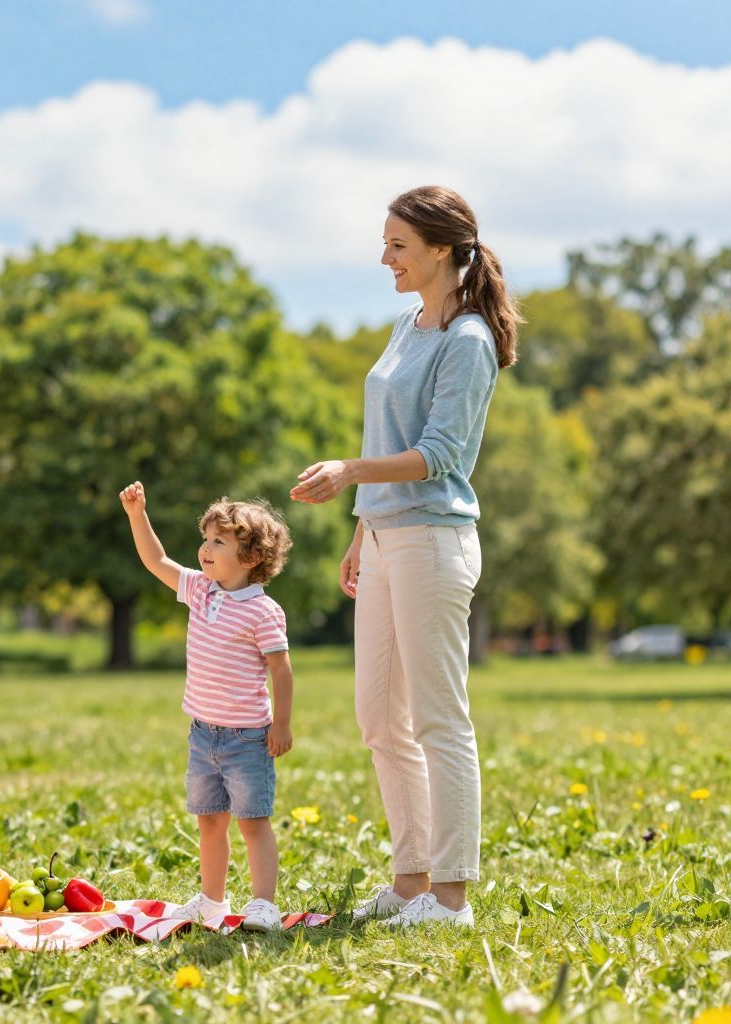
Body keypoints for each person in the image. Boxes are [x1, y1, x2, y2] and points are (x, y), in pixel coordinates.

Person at [291, 184, 521, 929]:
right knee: (378, 719)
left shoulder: (469, 341)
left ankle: (451, 896)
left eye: (397, 244)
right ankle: (412, 880)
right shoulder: (405, 324)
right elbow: (384, 435)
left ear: (443, 250)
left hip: (433, 542)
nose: (384, 256)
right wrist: (362, 527)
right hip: (387, 539)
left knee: (437, 720)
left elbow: (437, 457)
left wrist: (351, 474)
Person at [120, 482, 296, 931]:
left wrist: (282, 724)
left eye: (218, 541)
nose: (205, 549)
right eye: (205, 539)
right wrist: (138, 514)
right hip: (203, 735)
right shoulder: (201, 591)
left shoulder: (263, 611)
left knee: (253, 823)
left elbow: (281, 670)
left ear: (251, 557)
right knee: (209, 823)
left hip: (248, 739)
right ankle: (212, 901)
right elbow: (155, 561)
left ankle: (263, 905)